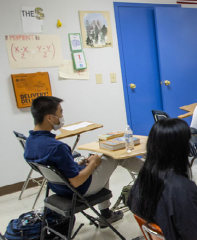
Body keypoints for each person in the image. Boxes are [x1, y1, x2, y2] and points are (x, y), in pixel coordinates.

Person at [24, 96, 143, 226]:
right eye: (60, 112)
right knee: (111, 155)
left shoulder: (29, 143)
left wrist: (82, 164)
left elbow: (58, 169)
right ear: (50, 118)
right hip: (80, 190)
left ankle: (106, 213)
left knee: (102, 162)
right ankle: (155, 173)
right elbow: (76, 181)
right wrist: (92, 164)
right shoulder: (57, 147)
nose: (62, 117)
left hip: (59, 188)